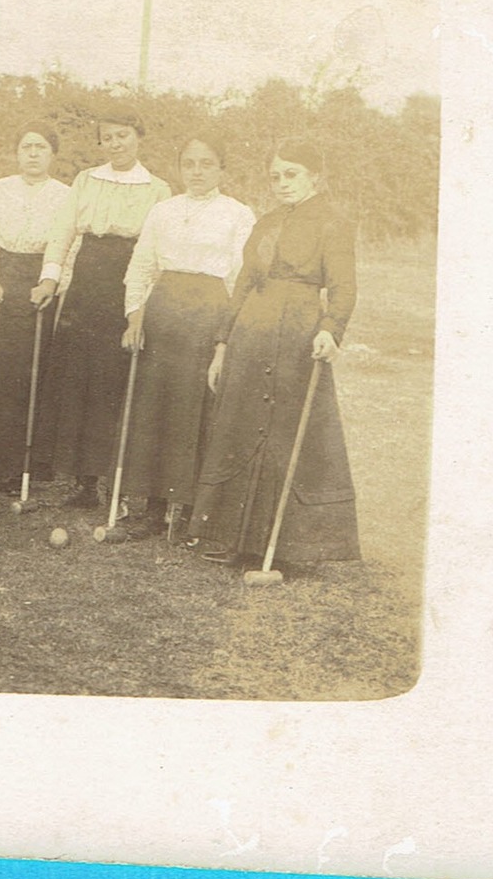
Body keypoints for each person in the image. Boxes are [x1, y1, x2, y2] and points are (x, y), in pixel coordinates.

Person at [190, 139, 362, 567]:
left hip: (300, 332)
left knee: (286, 430)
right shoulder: (264, 221)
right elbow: (244, 282)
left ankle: (290, 548)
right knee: (242, 426)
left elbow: (343, 286)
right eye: (276, 175)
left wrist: (331, 328)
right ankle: (231, 538)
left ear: (314, 177)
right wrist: (222, 344)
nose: (282, 183)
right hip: (253, 329)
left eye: (292, 174)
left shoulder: (333, 222)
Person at [32, 110, 172, 508]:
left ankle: (117, 482)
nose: (115, 144)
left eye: (123, 135)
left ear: (138, 137)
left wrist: (143, 302)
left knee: (118, 380)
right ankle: (83, 481)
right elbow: (62, 232)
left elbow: (157, 251)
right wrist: (49, 278)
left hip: (130, 281)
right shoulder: (86, 180)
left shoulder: (158, 189)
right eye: (108, 137)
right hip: (88, 284)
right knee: (79, 379)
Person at [118, 136, 256, 538]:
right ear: (179, 168)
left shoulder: (238, 214)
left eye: (207, 163)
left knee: (193, 410)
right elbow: (141, 267)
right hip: (163, 313)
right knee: (155, 409)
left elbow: (240, 279)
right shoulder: (163, 210)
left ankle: (191, 513)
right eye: (189, 163)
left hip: (208, 311)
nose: (197, 171)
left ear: (221, 169)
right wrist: (134, 316)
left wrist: (224, 336)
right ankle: (151, 507)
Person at [0, 123, 75, 489]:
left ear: (53, 154)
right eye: (26, 146)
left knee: (27, 373)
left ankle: (21, 465)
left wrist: (49, 284)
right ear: (17, 152)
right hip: (0, 277)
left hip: (39, 279)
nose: (33, 154)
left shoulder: (65, 195)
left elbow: (65, 245)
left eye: (41, 147)